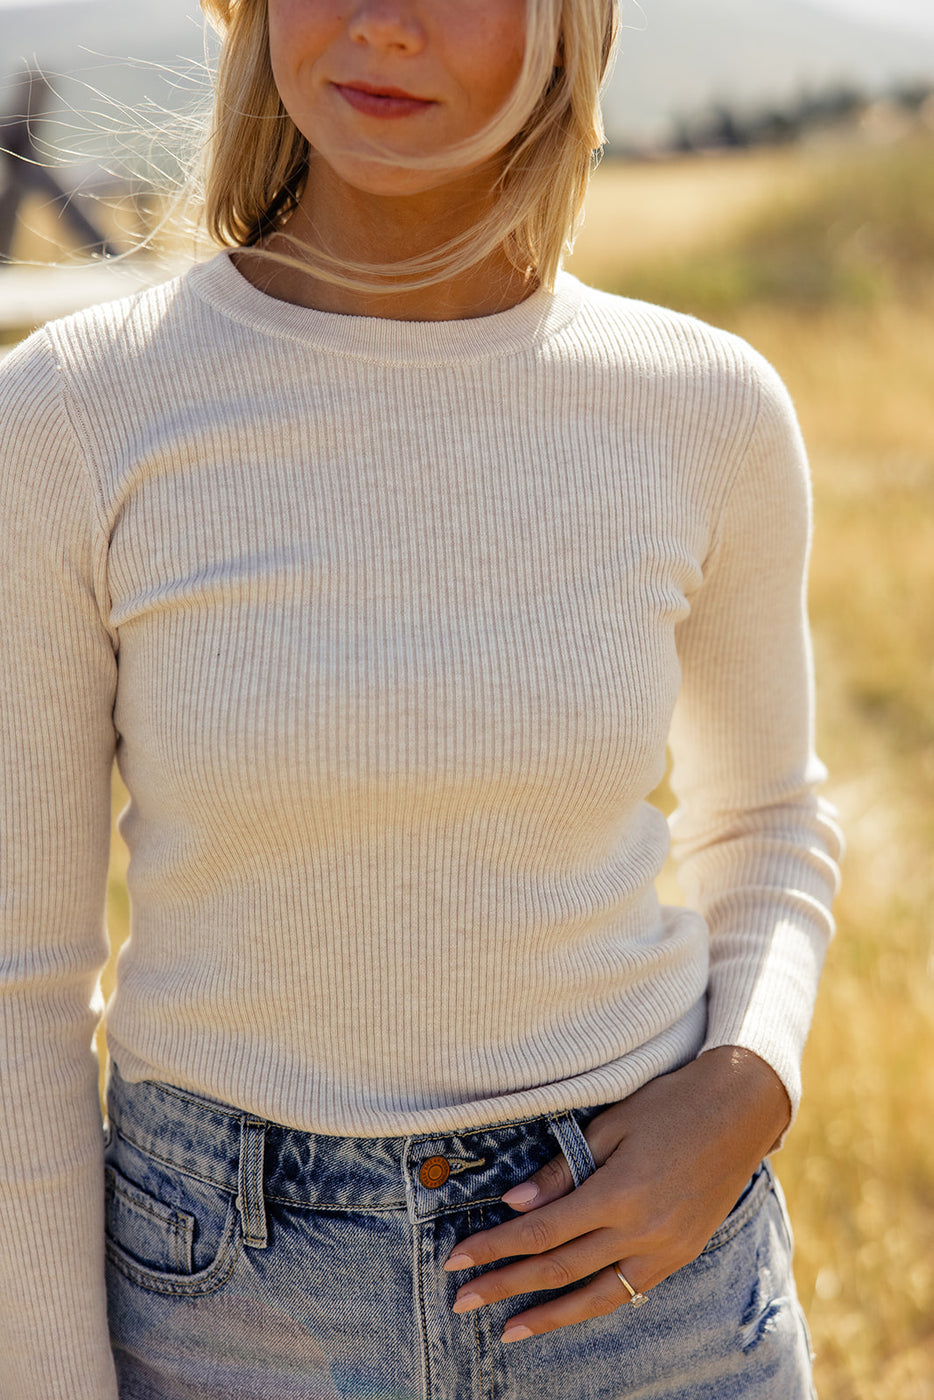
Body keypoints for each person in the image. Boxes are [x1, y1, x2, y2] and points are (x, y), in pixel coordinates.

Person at [0, 2, 843, 1397]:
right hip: (227, 1298)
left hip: (645, 1284)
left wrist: (745, 1085)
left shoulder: (704, 409)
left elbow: (765, 823)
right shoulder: (76, 415)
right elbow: (19, 984)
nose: (382, 25)